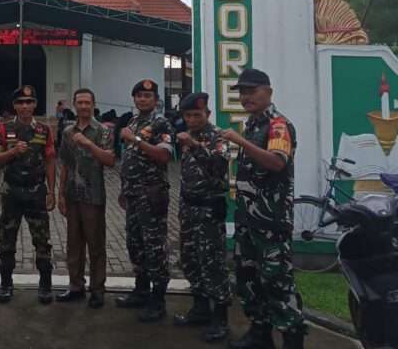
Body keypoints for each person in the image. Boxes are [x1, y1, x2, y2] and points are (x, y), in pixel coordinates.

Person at [222, 69, 306, 349]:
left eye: (252, 90)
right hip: (248, 219)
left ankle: (292, 338)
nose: (246, 97)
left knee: (277, 281)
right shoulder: (254, 124)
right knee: (248, 277)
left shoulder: (278, 125)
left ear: (268, 92)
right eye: (242, 92)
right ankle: (259, 334)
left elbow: (277, 162)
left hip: (271, 222)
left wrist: (241, 142)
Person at [173, 92, 232, 342]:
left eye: (197, 114)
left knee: (213, 264)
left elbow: (219, 165)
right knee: (190, 260)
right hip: (189, 209)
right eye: (188, 115)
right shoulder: (190, 136)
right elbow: (186, 178)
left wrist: (195, 146)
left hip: (209, 211)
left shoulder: (218, 136)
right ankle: (199, 309)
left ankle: (220, 317)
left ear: (206, 113)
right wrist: (181, 206)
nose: (193, 119)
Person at [0, 85, 56, 304]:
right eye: (20, 103)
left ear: (35, 104)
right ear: (14, 105)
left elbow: (50, 160)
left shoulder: (44, 131)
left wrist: (52, 192)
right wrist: (11, 151)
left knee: (42, 241)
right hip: (12, 194)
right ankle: (6, 285)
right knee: (6, 240)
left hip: (37, 193)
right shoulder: (3, 128)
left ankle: (45, 286)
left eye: (29, 102)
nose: (25, 106)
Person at [115, 79, 174, 323]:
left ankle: (158, 301)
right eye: (138, 95)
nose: (142, 99)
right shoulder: (134, 121)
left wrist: (136, 140)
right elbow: (132, 160)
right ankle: (141, 291)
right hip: (133, 194)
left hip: (151, 195)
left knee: (155, 248)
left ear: (156, 99)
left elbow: (163, 155)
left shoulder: (161, 122)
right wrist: (123, 189)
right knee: (135, 243)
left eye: (147, 96)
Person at [55, 88, 115, 308]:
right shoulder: (68, 131)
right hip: (72, 194)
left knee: (95, 244)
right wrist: (60, 193)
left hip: (93, 195)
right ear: (74, 104)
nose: (83, 106)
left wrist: (89, 144)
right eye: (79, 102)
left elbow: (109, 161)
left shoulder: (102, 131)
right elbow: (65, 164)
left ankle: (98, 289)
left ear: (93, 103)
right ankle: (76, 286)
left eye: (87, 102)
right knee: (74, 244)